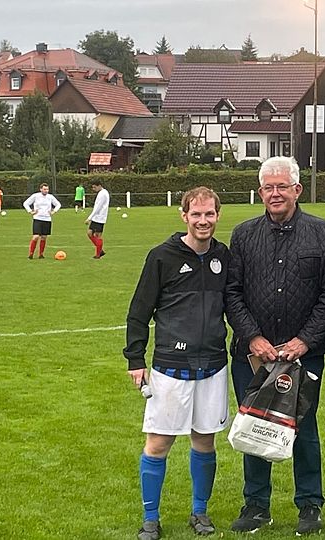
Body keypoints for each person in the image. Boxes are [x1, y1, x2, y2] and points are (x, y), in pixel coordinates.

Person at [225, 156, 325, 535]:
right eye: (268, 188)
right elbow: (232, 293)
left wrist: (305, 340)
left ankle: (310, 504)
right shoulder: (243, 235)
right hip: (252, 355)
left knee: (303, 427)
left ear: (297, 189)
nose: (275, 194)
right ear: (260, 192)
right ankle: (256, 504)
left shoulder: (322, 233)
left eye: (282, 187)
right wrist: (253, 337)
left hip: (303, 354)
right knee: (253, 425)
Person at [124, 187, 231, 540]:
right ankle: (150, 519)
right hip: (171, 365)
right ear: (184, 216)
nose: (203, 221)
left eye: (209, 214)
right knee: (158, 443)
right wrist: (135, 359)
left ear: (218, 215)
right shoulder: (162, 257)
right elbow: (139, 312)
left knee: (205, 441)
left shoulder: (223, 257)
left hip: (213, 364)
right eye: (196, 214)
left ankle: (199, 513)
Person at [22, 183, 61, 259]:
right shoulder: (35, 196)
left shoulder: (50, 197)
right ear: (40, 189)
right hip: (37, 219)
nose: (46, 191)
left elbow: (58, 204)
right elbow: (26, 203)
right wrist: (30, 211)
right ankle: (31, 254)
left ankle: (41, 254)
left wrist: (53, 211)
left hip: (47, 219)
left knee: (43, 237)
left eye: (47, 189)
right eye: (44, 189)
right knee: (36, 236)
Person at [84, 180, 110, 259]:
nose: (93, 189)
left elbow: (98, 208)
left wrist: (89, 218)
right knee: (90, 233)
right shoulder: (101, 193)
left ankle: (98, 254)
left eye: (94, 187)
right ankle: (100, 250)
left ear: (99, 186)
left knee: (97, 236)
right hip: (96, 217)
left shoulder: (103, 194)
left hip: (100, 218)